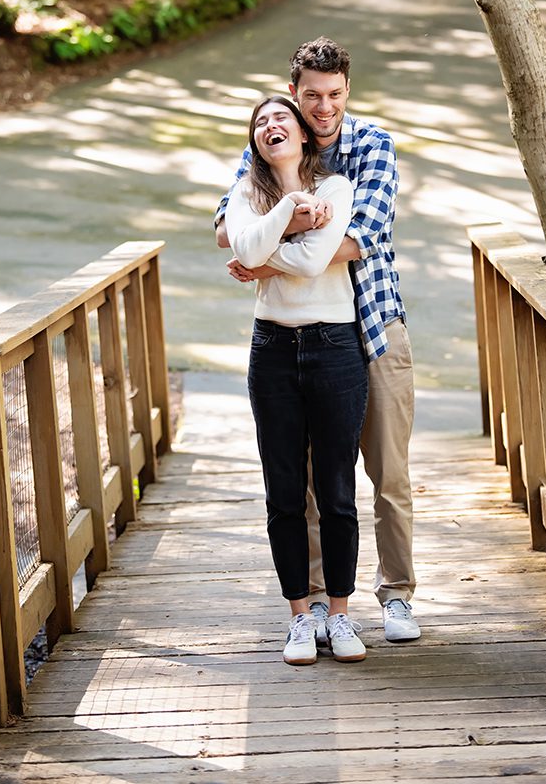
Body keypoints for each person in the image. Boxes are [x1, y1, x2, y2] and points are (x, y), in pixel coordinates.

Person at [215, 37, 420, 646]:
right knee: (305, 479)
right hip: (301, 336)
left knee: (387, 471)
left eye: (334, 94)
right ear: (295, 92)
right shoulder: (275, 136)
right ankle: (316, 606)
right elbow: (226, 228)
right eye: (312, 95)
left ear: (347, 91)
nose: (323, 107)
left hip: (373, 324)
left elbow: (359, 240)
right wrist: (288, 227)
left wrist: (266, 256)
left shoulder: (373, 145)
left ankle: (396, 595)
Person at [224, 94, 369, 666]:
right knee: (283, 491)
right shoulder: (247, 194)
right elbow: (241, 243)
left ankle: (340, 613)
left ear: (304, 132)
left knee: (336, 489)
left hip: (335, 346)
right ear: (256, 141)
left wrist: (263, 258)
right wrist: (290, 213)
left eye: (280, 117)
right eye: (260, 122)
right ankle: (300, 618)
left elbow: (311, 264)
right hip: (273, 350)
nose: (271, 126)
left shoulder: (336, 187)